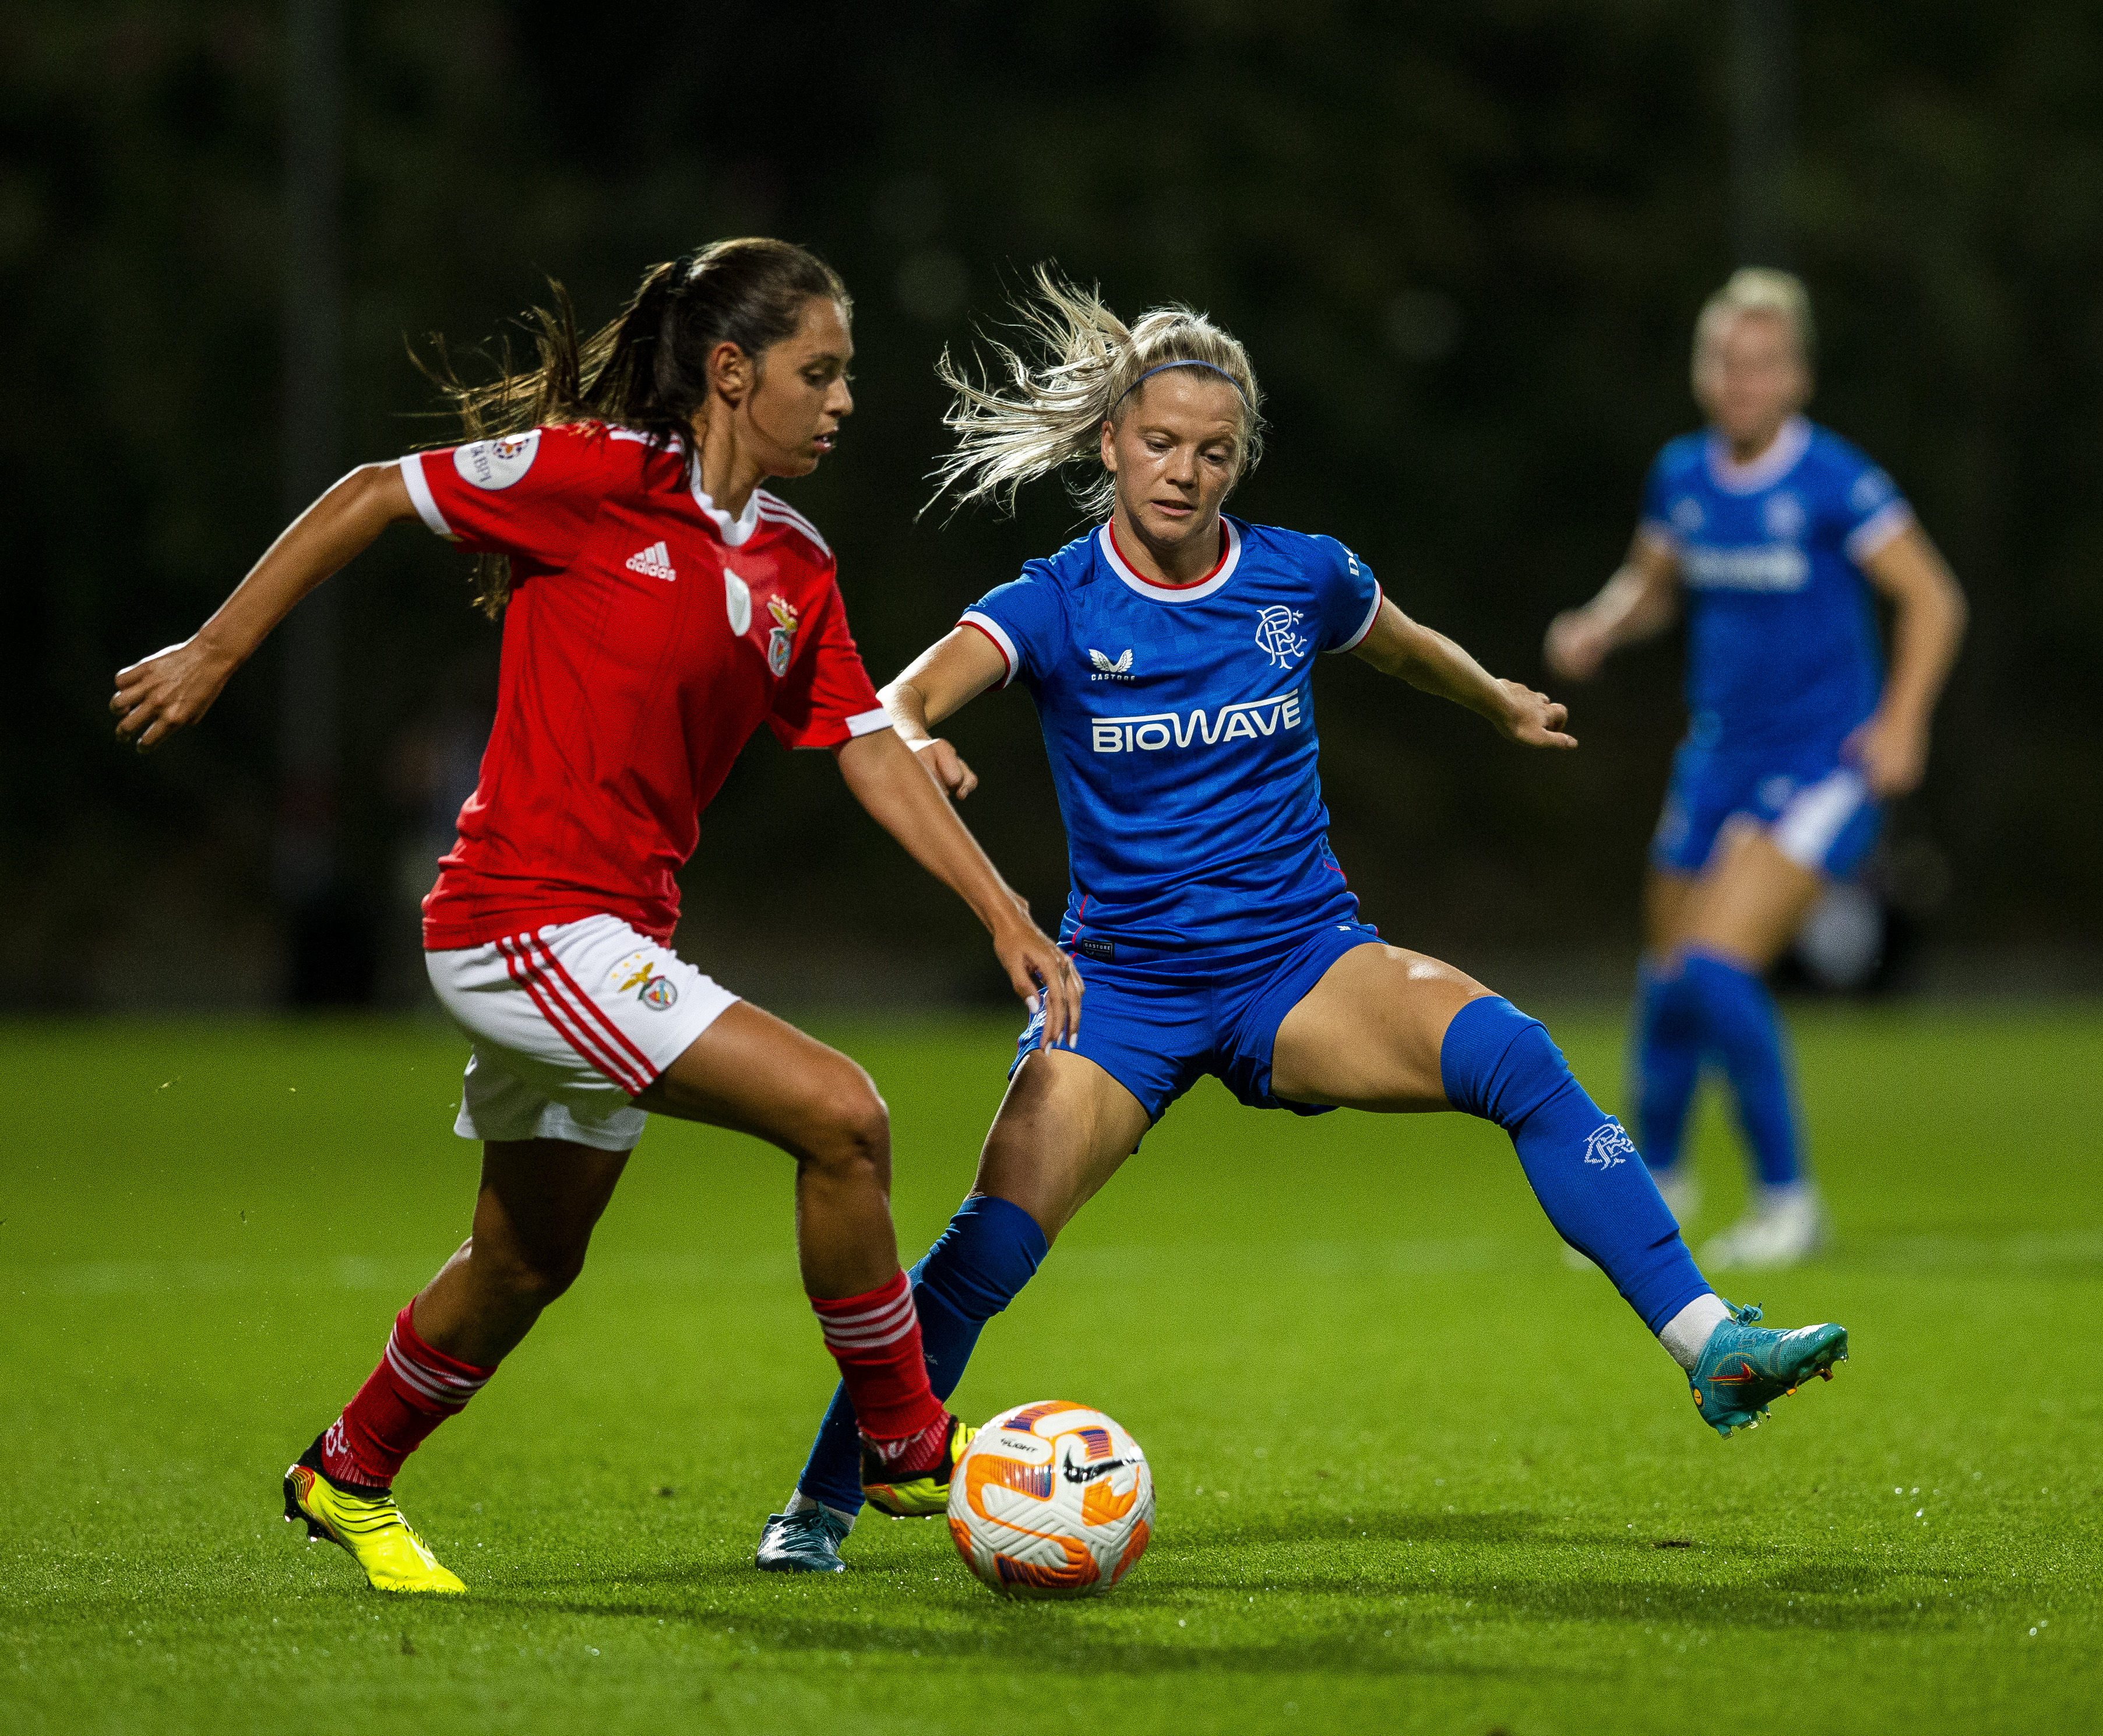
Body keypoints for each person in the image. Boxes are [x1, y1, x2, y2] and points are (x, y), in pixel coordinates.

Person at [753, 269, 1850, 1575]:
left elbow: (1391, 641)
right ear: (1109, 440)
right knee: (986, 1243)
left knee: (1513, 1054)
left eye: (1212, 452)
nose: (1182, 471)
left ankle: (1706, 1341)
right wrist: (919, 736)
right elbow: (904, 694)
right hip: (1124, 992)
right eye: (1158, 443)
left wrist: (1490, 696)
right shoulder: (1054, 600)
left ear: (1239, 461)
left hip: (1299, 962)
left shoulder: (1294, 577)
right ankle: (819, 1502)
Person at [108, 238, 1082, 1595]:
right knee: (844, 1114)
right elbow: (371, 492)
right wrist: (218, 644)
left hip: (607, 933)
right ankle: (908, 1443)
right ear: (732, 373)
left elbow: (867, 741)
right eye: (822, 370)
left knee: (522, 1261)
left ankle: (346, 1470)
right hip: (518, 922)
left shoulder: (795, 562)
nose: (844, 398)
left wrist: (999, 906)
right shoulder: (589, 479)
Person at [1545, 269, 1966, 1268]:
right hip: (1716, 757)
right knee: (1665, 979)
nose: (1741, 380)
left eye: (1762, 363)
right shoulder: (1682, 477)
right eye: (1726, 361)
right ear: (1703, 373)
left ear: (1797, 377)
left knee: (1715, 965)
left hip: (1820, 764)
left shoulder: (1833, 481)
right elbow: (1653, 587)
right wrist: (1601, 626)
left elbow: (1933, 598)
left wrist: (1901, 722)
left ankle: (1788, 1200)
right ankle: (1660, 1185)